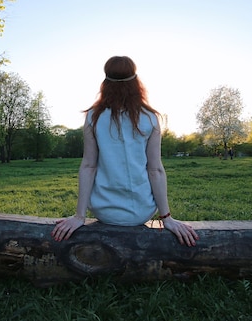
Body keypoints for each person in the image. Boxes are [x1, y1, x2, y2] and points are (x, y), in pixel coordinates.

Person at [51, 56, 199, 247]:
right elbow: (155, 170)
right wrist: (167, 217)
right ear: (136, 82)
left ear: (105, 82)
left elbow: (89, 166)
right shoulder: (151, 118)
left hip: (104, 211)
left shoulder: (93, 117)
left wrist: (80, 216)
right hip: (142, 212)